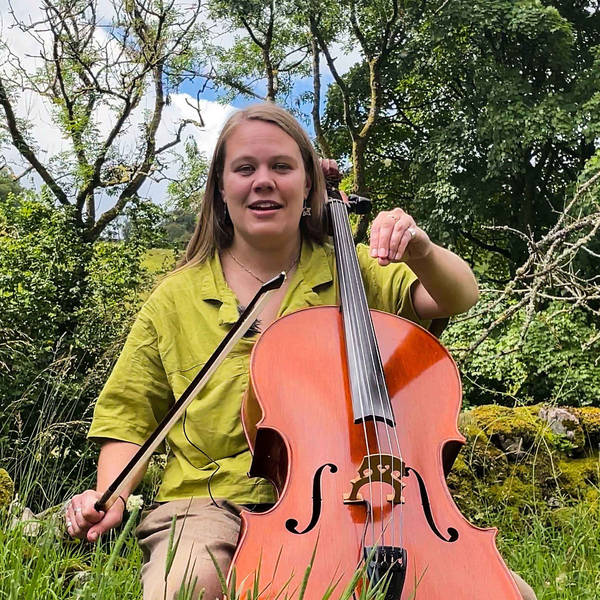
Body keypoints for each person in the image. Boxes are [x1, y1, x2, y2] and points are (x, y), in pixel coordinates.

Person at [65, 103, 535, 600]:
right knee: (186, 585)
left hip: (353, 497)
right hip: (206, 503)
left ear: (308, 185)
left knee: (504, 592)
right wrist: (110, 494)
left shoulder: (356, 273)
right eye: (245, 168)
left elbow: (457, 295)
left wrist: (420, 248)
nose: (263, 181)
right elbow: (129, 419)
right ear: (221, 189)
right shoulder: (174, 299)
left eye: (282, 167)